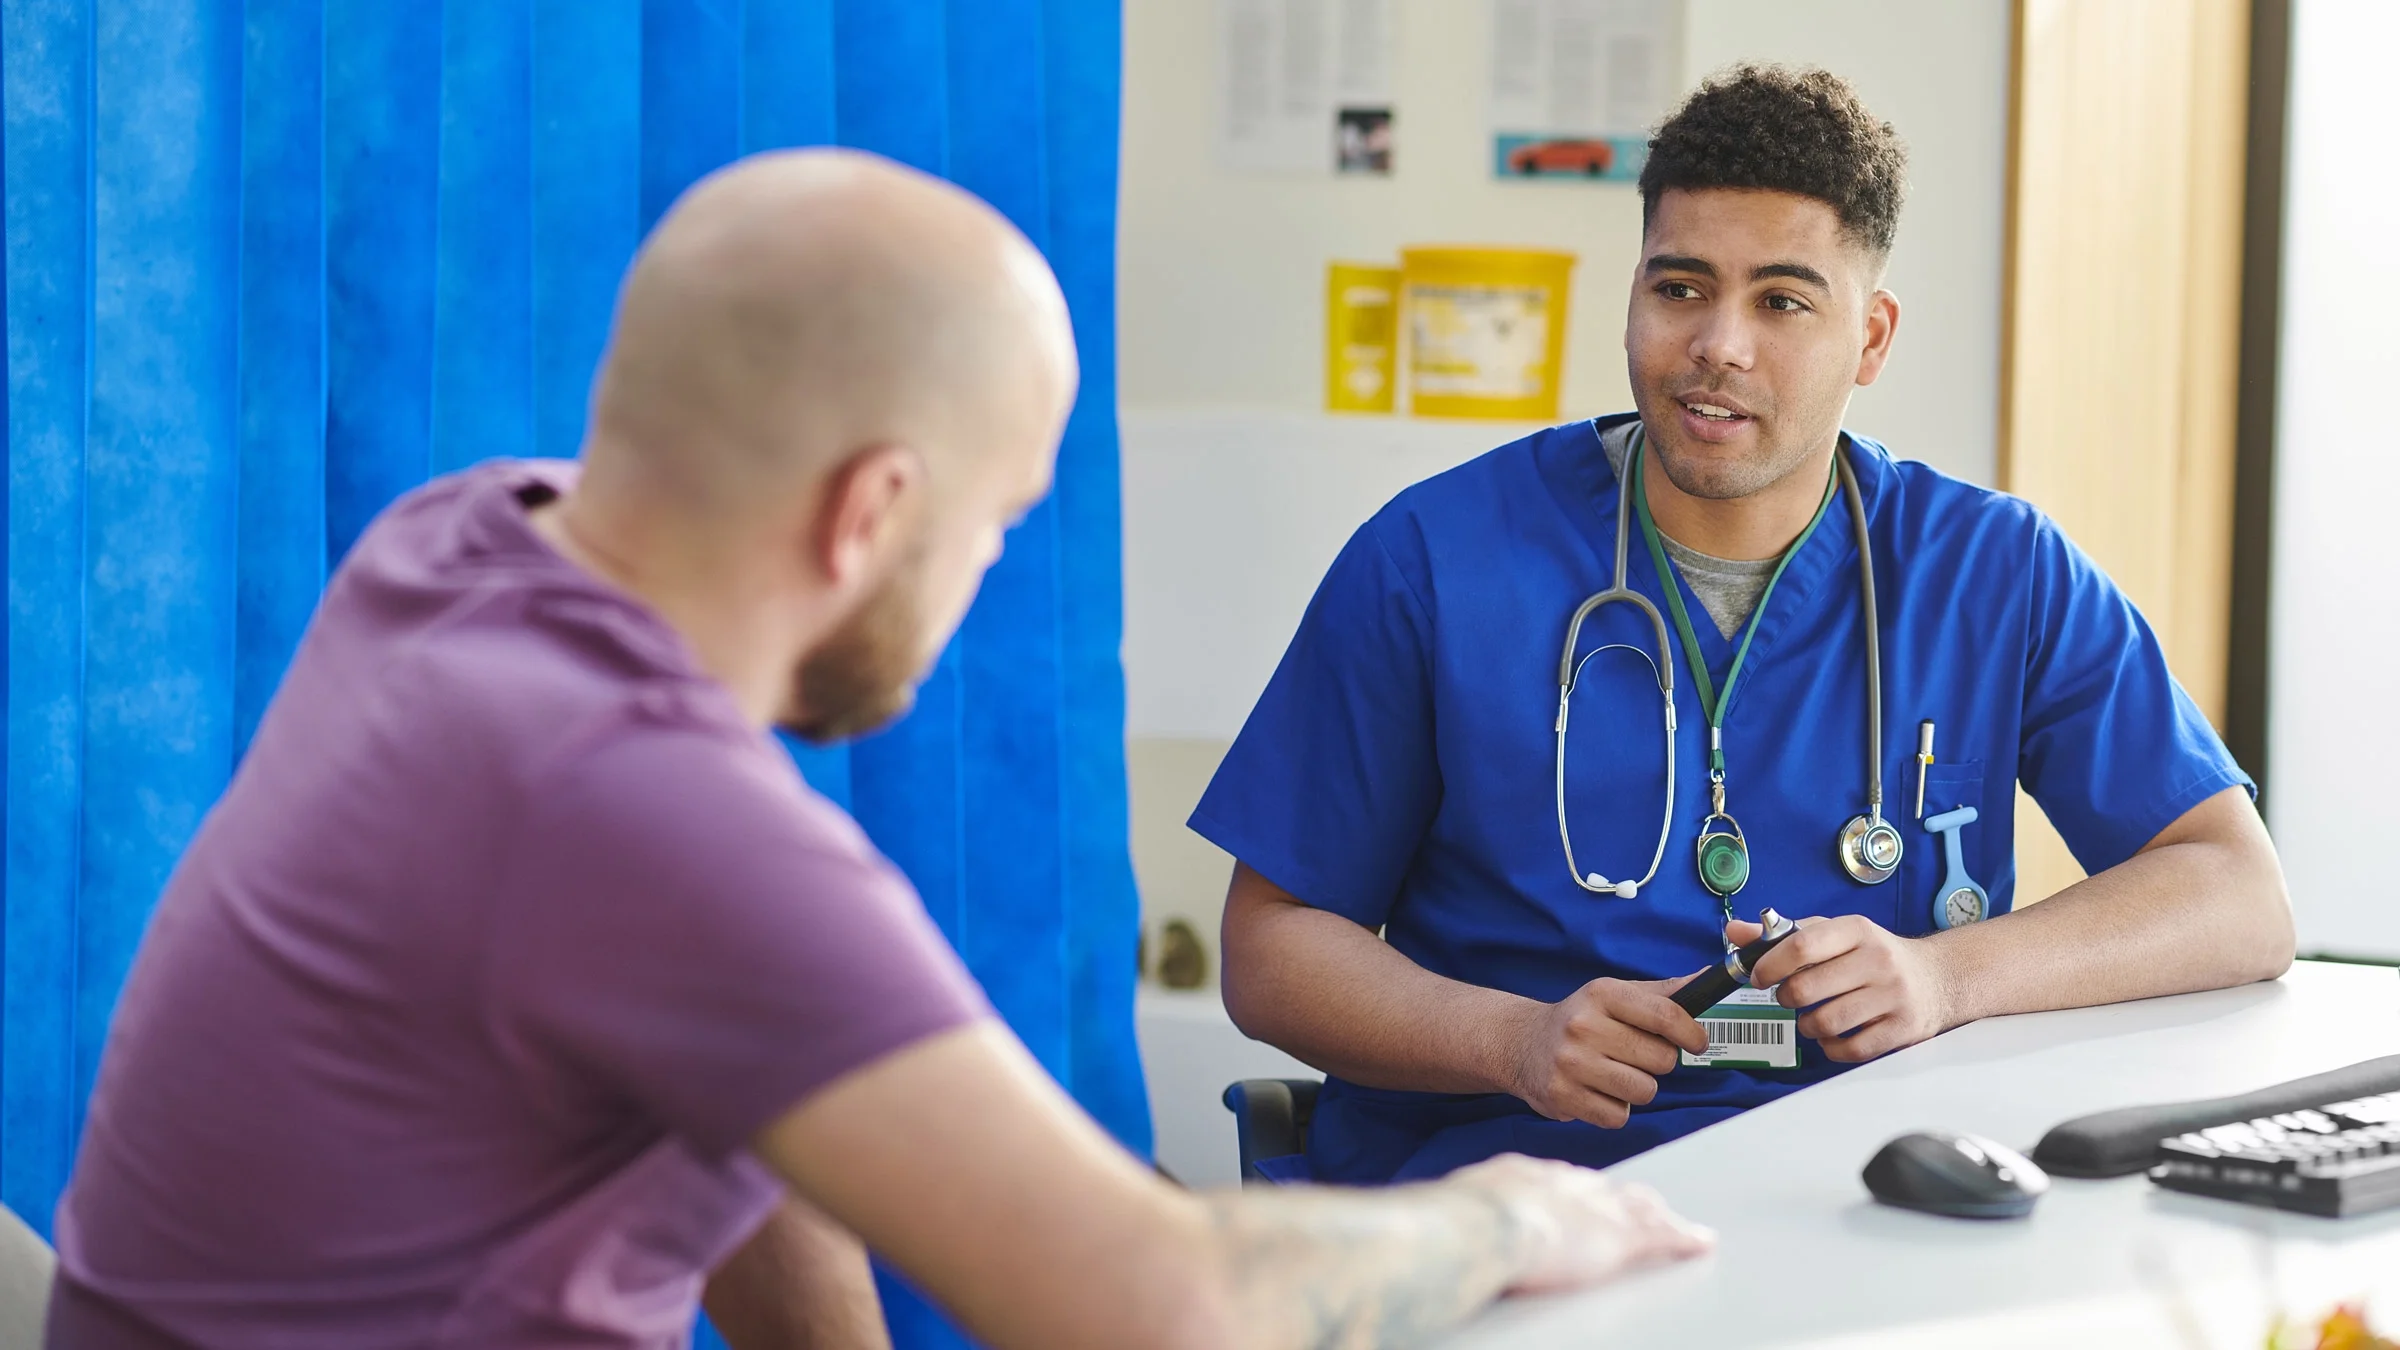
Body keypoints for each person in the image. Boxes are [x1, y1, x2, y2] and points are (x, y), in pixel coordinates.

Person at [44, 150, 1711, 1350]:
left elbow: (735, 1091)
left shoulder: (461, 550)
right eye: (992, 527)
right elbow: (1161, 1303)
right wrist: (1515, 1213)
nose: (983, 580)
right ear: (871, 514)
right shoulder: (644, 811)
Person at [1199, 65, 2295, 1186]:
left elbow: (2233, 891)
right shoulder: (1434, 560)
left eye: (1782, 301)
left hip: (1869, 1194)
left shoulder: (1995, 572)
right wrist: (1513, 1043)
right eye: (1679, 288)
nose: (1719, 344)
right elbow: (1272, 946)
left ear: (1869, 338)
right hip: (1508, 1185)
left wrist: (1948, 978)